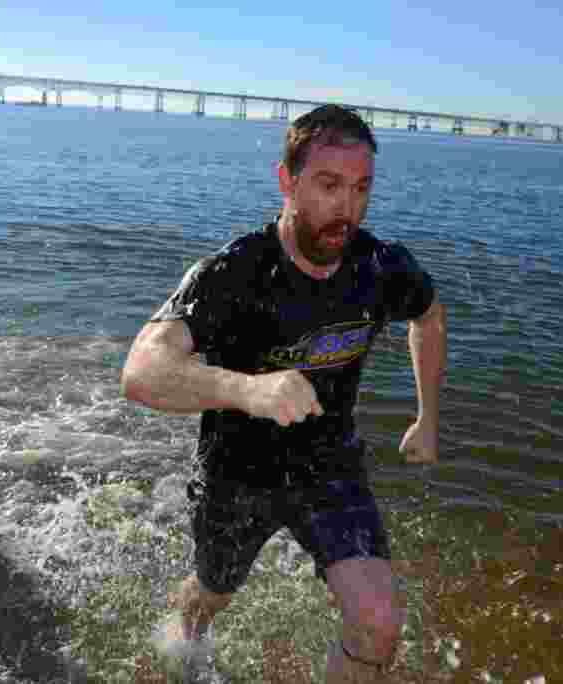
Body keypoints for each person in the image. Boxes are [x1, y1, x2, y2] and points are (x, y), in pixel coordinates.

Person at [120, 104, 447, 682]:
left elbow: (429, 316)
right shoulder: (236, 273)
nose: (346, 206)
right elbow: (141, 371)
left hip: (329, 465)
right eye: (327, 185)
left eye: (361, 187)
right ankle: (184, 629)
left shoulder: (381, 268)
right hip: (235, 473)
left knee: (378, 622)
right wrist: (248, 389)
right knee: (211, 596)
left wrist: (428, 417)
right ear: (287, 181)